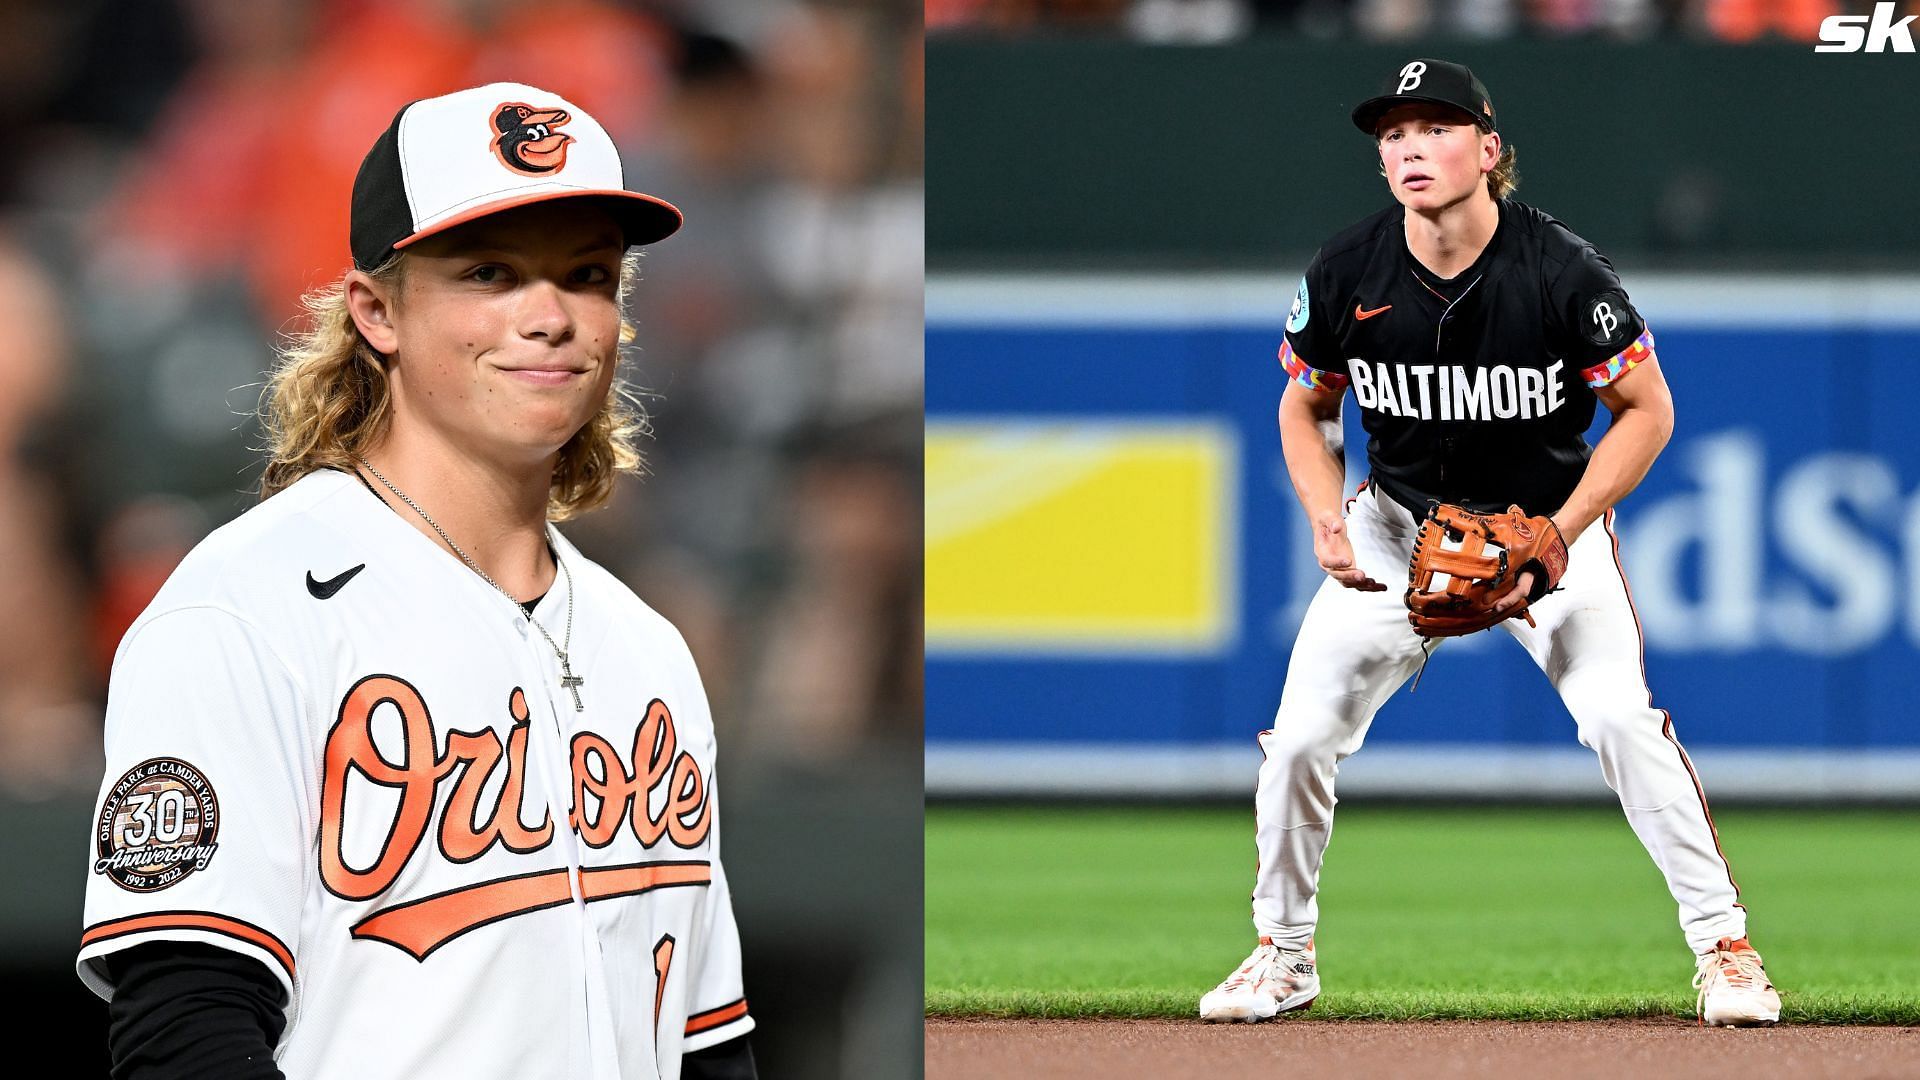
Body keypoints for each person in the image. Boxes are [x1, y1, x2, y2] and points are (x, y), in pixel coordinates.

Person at [77, 83, 757, 1078]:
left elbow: (710, 1048)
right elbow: (184, 1031)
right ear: (376, 313)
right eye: (489, 273)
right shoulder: (246, 610)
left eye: (586, 276)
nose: (549, 317)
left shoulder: (646, 647)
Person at [1197, 59, 1780, 1028]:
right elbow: (1304, 409)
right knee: (1298, 739)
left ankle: (1727, 951)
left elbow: (1646, 410)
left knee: (1618, 722)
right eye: (1392, 135)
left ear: (1490, 150)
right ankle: (1282, 956)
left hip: (1547, 527)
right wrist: (1327, 515)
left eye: (1435, 128)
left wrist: (1558, 535)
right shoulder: (1348, 270)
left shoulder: (1562, 270)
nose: (1411, 148)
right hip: (1395, 527)